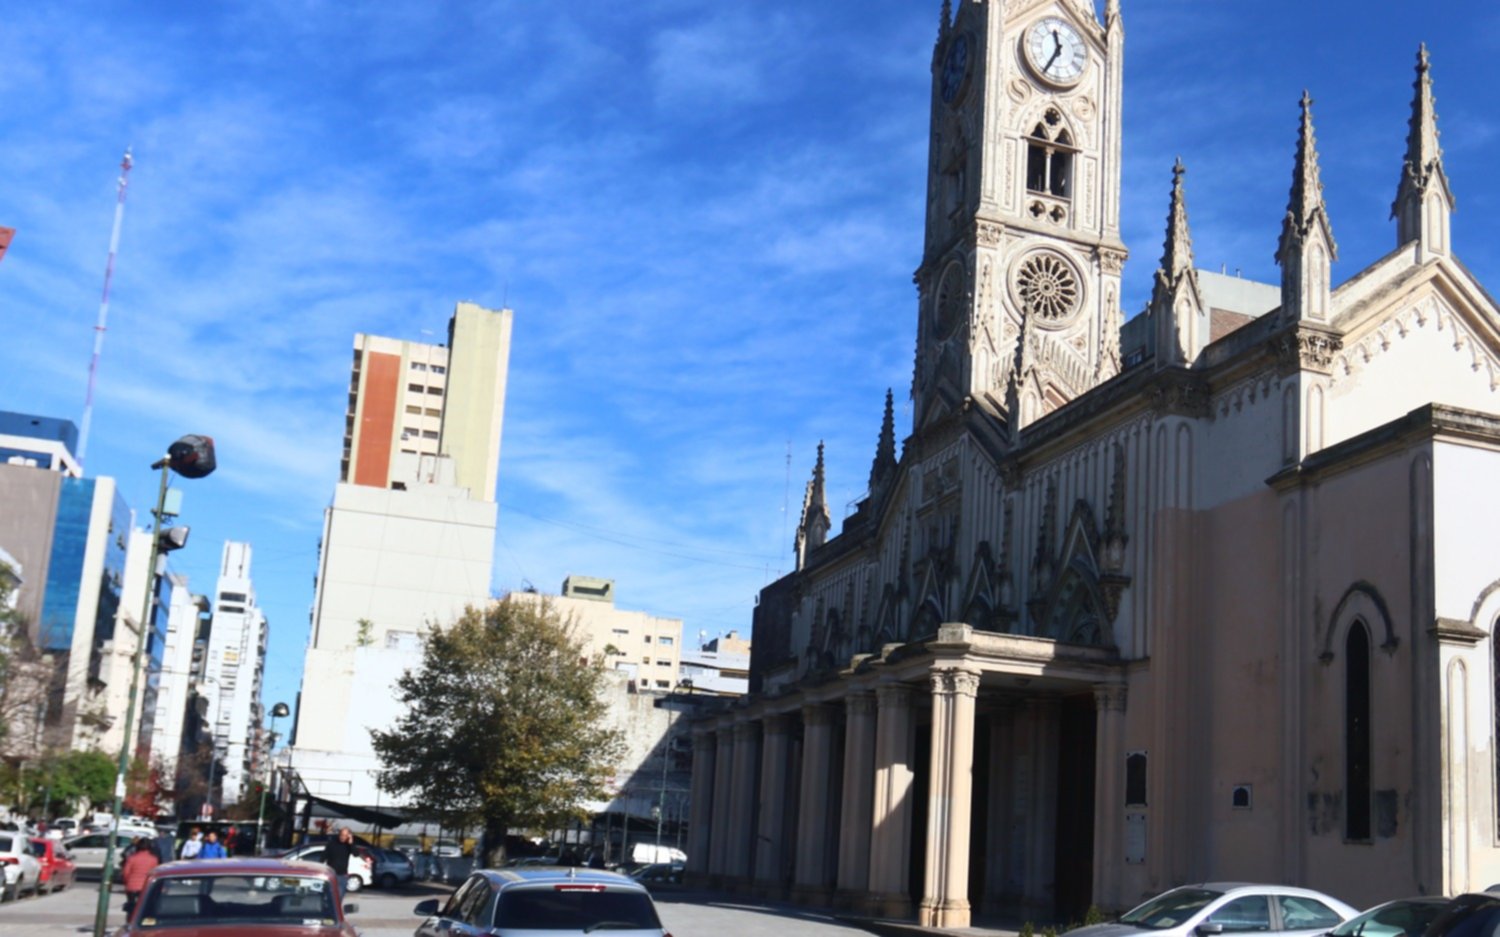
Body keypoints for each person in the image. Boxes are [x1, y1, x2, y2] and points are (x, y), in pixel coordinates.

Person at [121, 837, 159, 917]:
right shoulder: (153, 859)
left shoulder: (132, 858)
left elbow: (126, 872)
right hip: (145, 886)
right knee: (144, 907)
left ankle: (130, 920)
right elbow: (154, 874)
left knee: (131, 906)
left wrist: (127, 882)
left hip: (132, 886)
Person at [324, 826, 355, 891]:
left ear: (348, 836)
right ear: (339, 834)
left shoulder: (348, 845)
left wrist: (351, 843)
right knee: (330, 896)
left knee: (339, 896)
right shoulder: (332, 843)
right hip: (331, 874)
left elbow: (356, 854)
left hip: (342, 875)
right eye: (342, 835)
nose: (343, 837)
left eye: (345, 836)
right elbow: (324, 856)